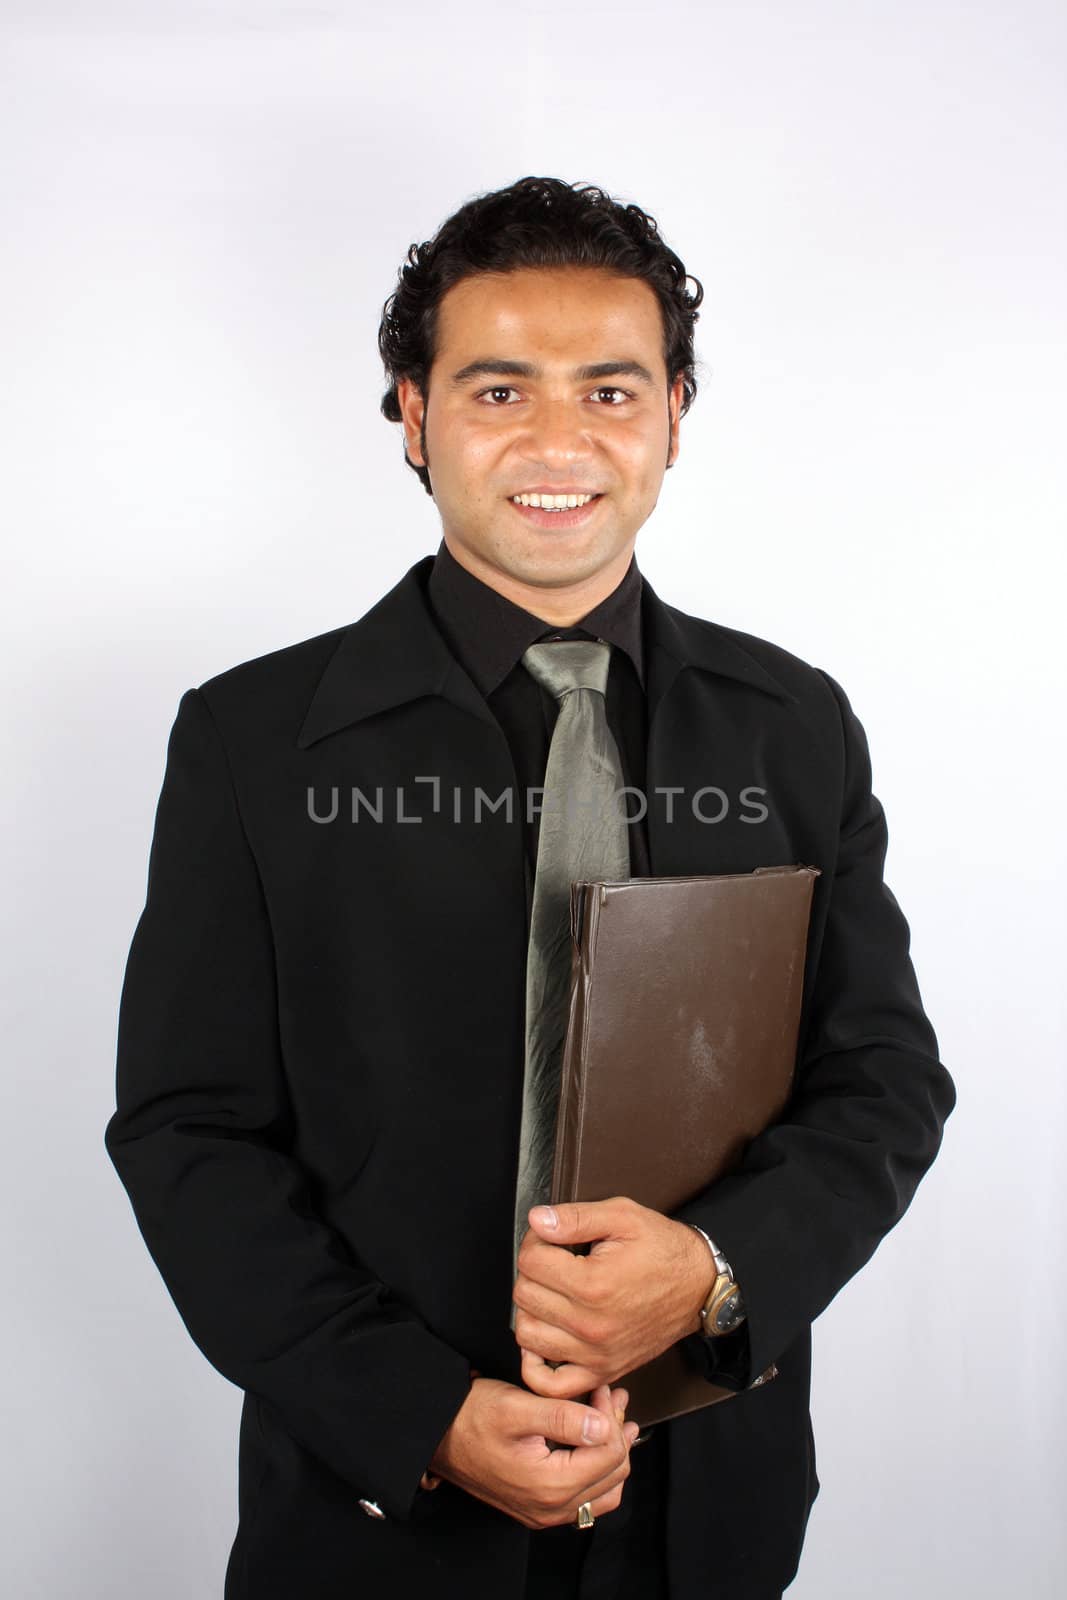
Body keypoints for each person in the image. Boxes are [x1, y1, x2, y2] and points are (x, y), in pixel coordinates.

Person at [104, 175, 956, 1599]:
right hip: (381, 1515)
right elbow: (191, 1134)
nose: (559, 443)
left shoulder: (791, 724)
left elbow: (882, 1077)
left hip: (711, 1513)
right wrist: (417, 1412)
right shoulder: (250, 740)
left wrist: (711, 1266)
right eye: (498, 391)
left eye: (611, 393)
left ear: (676, 415)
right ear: (414, 415)